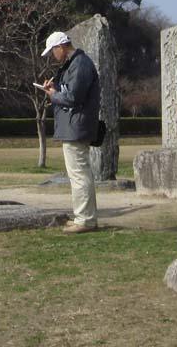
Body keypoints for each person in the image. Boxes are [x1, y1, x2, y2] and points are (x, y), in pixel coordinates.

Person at [41, 31, 100, 234]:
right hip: (75, 125)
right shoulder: (75, 64)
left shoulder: (80, 64)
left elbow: (74, 97)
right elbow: (71, 91)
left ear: (61, 47)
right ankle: (84, 217)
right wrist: (55, 89)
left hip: (77, 125)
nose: (52, 56)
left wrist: (54, 95)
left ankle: (85, 219)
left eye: (52, 52)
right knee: (79, 173)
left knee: (79, 174)